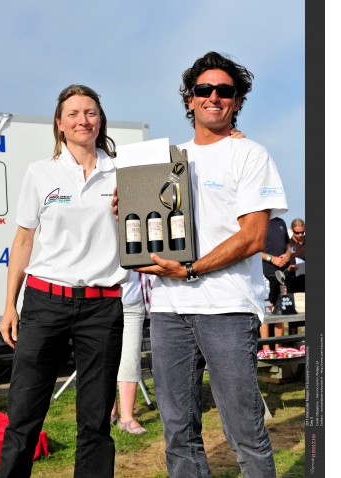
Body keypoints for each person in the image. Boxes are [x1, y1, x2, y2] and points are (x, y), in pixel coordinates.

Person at [115, 51, 288, 478]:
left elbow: (252, 236)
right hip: (170, 311)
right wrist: (123, 208)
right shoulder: (165, 160)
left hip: (227, 308)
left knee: (244, 431)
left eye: (224, 91)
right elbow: (147, 225)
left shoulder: (249, 155)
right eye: (203, 90)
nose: (213, 96)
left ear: (236, 101)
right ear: (189, 99)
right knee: (178, 433)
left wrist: (191, 270)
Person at [0, 84, 128, 478]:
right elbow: (22, 241)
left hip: (102, 307)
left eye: (90, 112)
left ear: (100, 120)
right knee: (23, 414)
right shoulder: (41, 172)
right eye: (73, 113)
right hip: (44, 302)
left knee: (95, 422)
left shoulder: (123, 171)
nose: (82, 120)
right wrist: (9, 306)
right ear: (60, 124)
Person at [109, 271, 147, 434]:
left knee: (131, 360)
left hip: (133, 301)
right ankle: (110, 412)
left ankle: (127, 418)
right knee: (105, 358)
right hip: (100, 302)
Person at [260, 216, 291, 351]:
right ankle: (266, 348)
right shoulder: (259, 220)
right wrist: (271, 259)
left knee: (280, 311)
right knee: (266, 311)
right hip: (265, 273)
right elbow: (253, 249)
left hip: (282, 274)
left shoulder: (281, 222)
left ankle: (279, 348)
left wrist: (287, 255)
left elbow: (287, 245)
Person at [286, 218, 305, 293]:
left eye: (302, 232)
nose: (300, 235)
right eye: (297, 232)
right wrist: (288, 269)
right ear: (291, 229)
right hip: (293, 280)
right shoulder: (288, 245)